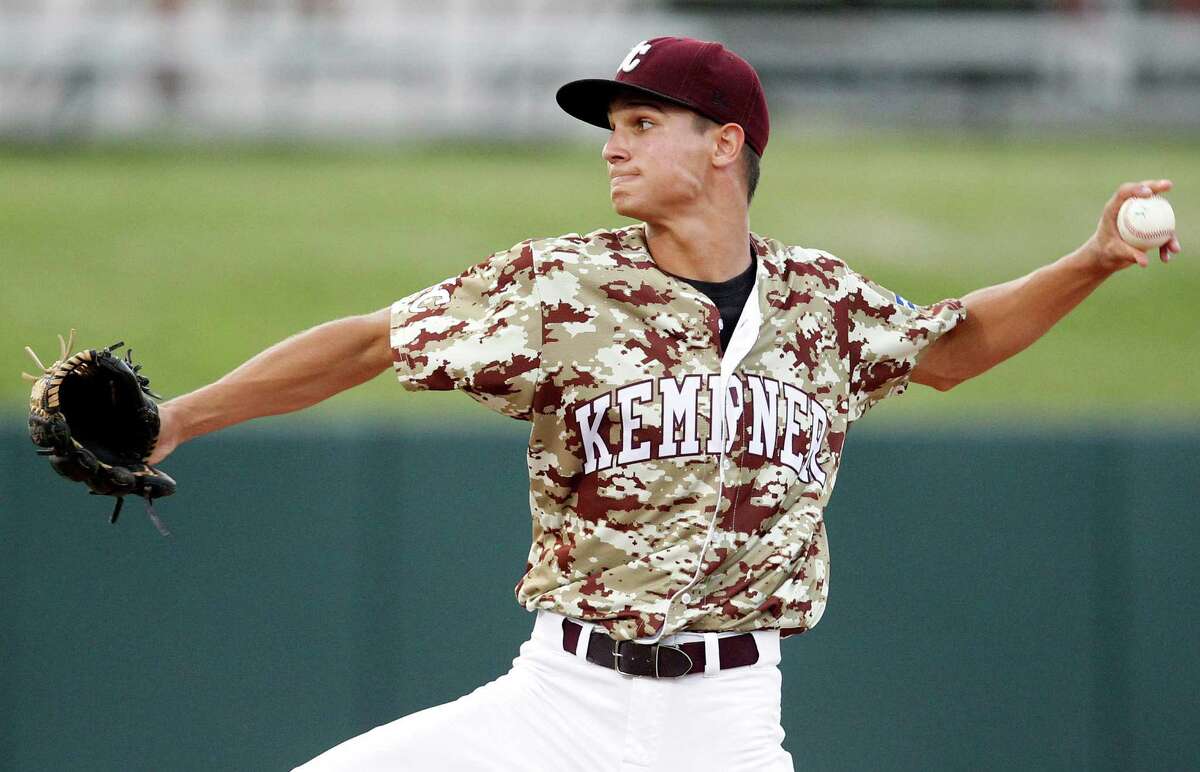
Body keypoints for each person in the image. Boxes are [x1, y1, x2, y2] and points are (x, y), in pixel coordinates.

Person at [148, 36, 1179, 772]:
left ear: (724, 145)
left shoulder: (821, 302)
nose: (613, 144)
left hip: (727, 719)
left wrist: (1093, 260)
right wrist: (181, 418)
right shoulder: (558, 288)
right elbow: (372, 341)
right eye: (614, 126)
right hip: (557, 706)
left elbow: (955, 348)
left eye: (643, 123)